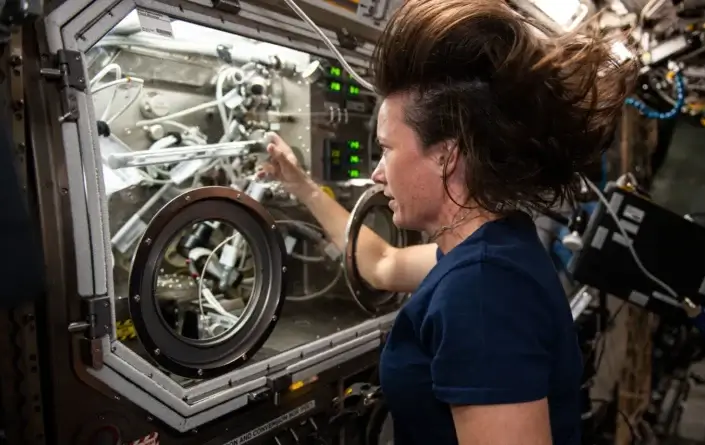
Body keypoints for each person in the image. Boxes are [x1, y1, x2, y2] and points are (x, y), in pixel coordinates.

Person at [262, 1, 634, 443]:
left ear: (446, 156)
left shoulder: (481, 292)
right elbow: (382, 263)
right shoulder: (493, 245)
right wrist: (303, 187)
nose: (379, 172)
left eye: (387, 148)